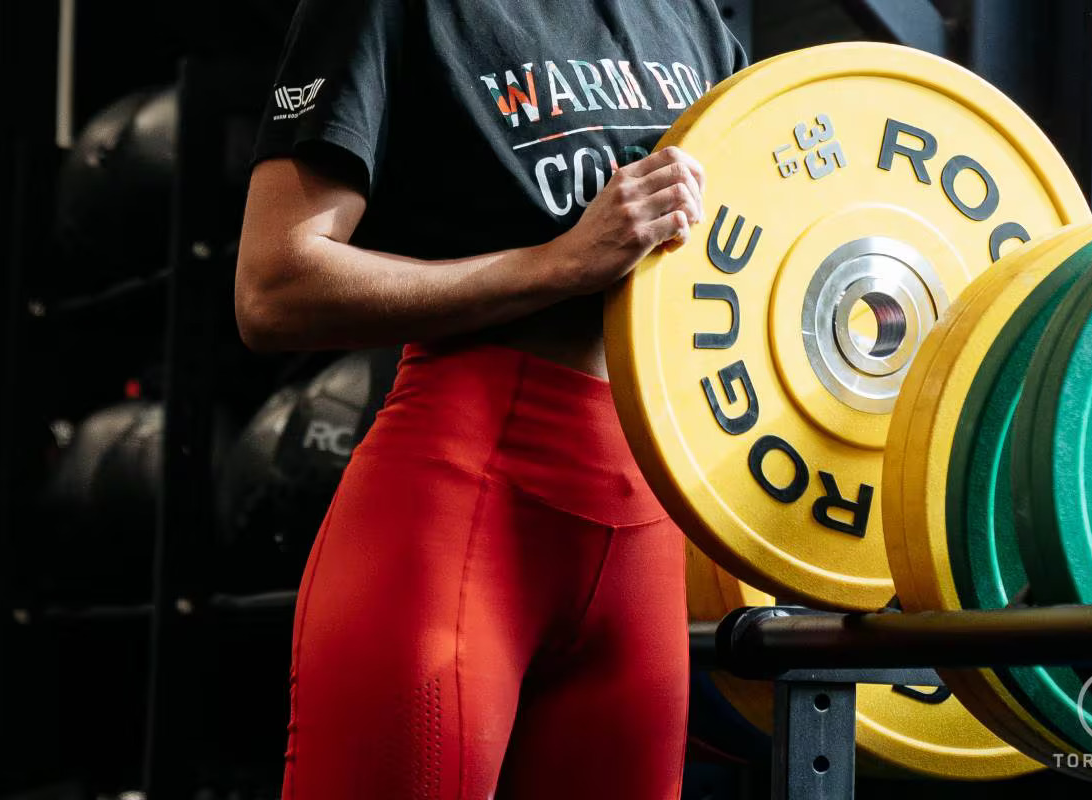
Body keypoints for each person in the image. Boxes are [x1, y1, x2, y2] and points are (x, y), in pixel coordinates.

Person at [236, 1, 746, 798]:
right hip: (462, 498)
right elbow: (274, 287)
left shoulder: (692, 19)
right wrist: (558, 264)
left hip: (645, 516)